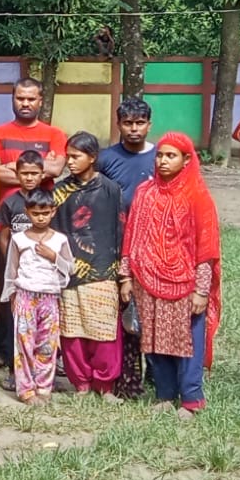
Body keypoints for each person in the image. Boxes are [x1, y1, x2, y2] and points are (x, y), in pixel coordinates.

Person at [123, 133, 220, 418]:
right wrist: (126, 276)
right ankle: (164, 394)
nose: (163, 161)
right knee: (154, 339)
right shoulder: (145, 192)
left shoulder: (197, 195)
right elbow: (132, 235)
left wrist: (201, 290)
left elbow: (206, 247)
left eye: (171, 156)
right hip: (146, 279)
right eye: (160, 155)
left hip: (186, 283)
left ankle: (191, 399)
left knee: (187, 342)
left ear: (187, 160)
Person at [53, 132, 125, 397]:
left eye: (76, 156)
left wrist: (122, 272)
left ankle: (105, 385)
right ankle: (80, 383)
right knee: (72, 330)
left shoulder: (110, 189)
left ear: (92, 157)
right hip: (70, 271)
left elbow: (120, 229)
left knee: (104, 329)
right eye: (68, 156)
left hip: (104, 270)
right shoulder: (60, 192)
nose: (70, 161)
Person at [95, 97, 156, 399]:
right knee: (124, 310)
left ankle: (158, 374)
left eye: (139, 123)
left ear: (149, 125)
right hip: (116, 243)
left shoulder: (161, 156)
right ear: (118, 124)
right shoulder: (105, 159)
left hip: (154, 245)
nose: (134, 129)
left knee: (153, 311)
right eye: (128, 123)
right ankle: (125, 376)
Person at [0, 188, 72, 406]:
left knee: (47, 344)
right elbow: (11, 269)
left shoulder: (59, 240)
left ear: (53, 212)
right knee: (24, 343)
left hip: (49, 297)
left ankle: (43, 386)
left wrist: (54, 256)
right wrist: (12, 295)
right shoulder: (19, 239)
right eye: (36, 213)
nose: (41, 218)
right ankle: (26, 389)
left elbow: (70, 267)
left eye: (45, 213)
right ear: (27, 212)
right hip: (25, 295)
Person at [0, 150, 47, 391]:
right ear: (17, 174)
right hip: (17, 273)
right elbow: (3, 236)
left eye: (34, 173)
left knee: (42, 322)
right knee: (17, 321)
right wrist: (12, 264)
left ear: (42, 174)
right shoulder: (10, 202)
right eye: (25, 173)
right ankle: (15, 370)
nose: (29, 178)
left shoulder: (47, 201)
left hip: (43, 273)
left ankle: (42, 371)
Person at [0, 77, 67, 202]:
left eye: (31, 99)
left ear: (40, 101)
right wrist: (39, 170)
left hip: (42, 209)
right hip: (6, 208)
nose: (25, 104)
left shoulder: (55, 134)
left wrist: (12, 166)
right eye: (20, 99)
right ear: (13, 99)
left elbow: (56, 169)